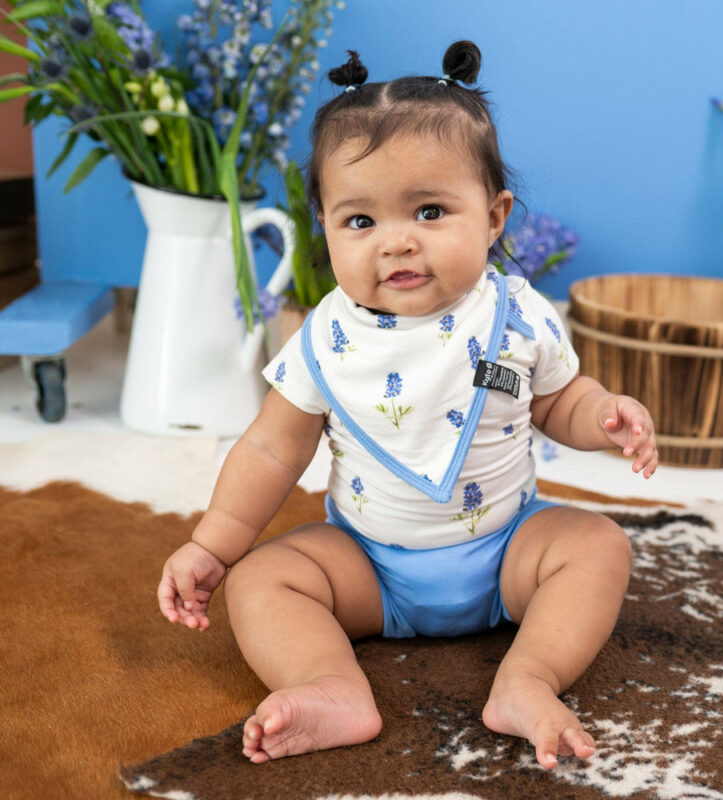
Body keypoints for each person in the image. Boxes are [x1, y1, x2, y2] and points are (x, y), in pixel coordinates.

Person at [157, 41, 658, 771]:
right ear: (324, 227)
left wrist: (606, 415)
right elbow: (272, 449)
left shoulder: (516, 315)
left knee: (598, 545)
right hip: (369, 565)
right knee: (263, 578)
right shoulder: (324, 338)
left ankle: (527, 679)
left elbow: (559, 402)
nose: (396, 241)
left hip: (506, 552)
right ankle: (330, 687)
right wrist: (211, 544)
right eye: (359, 221)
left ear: (493, 217)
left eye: (429, 210)